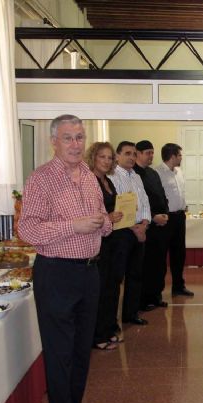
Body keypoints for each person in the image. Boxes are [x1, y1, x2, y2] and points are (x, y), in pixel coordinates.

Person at [20, 114, 112, 403]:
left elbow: (102, 221)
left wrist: (103, 223)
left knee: (80, 348)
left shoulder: (88, 175)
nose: (75, 144)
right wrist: (73, 226)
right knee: (60, 351)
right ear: (53, 142)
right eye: (68, 138)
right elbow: (27, 229)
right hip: (57, 272)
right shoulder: (41, 179)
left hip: (88, 271)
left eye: (79, 137)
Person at [108, 141, 152, 326]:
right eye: (127, 153)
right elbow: (120, 206)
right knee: (117, 278)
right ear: (117, 156)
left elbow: (144, 202)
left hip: (139, 231)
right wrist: (135, 229)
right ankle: (111, 321)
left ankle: (131, 314)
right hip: (122, 233)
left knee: (136, 275)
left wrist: (145, 223)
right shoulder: (112, 176)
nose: (132, 157)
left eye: (134, 154)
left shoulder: (136, 177)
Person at [85, 141, 123, 350]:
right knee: (100, 290)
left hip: (113, 239)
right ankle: (97, 336)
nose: (107, 161)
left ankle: (109, 329)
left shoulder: (108, 180)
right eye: (102, 157)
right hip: (98, 242)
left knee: (112, 287)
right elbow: (90, 215)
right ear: (93, 157)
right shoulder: (89, 181)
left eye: (110, 158)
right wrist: (108, 217)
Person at [133, 140, 170, 310]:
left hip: (161, 225)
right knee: (146, 265)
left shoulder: (153, 173)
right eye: (147, 152)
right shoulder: (134, 174)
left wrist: (166, 215)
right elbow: (138, 202)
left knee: (159, 264)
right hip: (148, 225)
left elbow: (162, 195)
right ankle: (144, 299)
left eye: (152, 152)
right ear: (138, 153)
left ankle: (156, 295)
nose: (151, 156)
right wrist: (154, 217)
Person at [157, 143, 194, 297]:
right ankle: (157, 291)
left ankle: (178, 286)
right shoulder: (157, 173)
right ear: (172, 156)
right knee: (161, 255)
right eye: (179, 155)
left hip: (180, 217)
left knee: (179, 254)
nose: (181, 158)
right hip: (166, 218)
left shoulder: (179, 171)